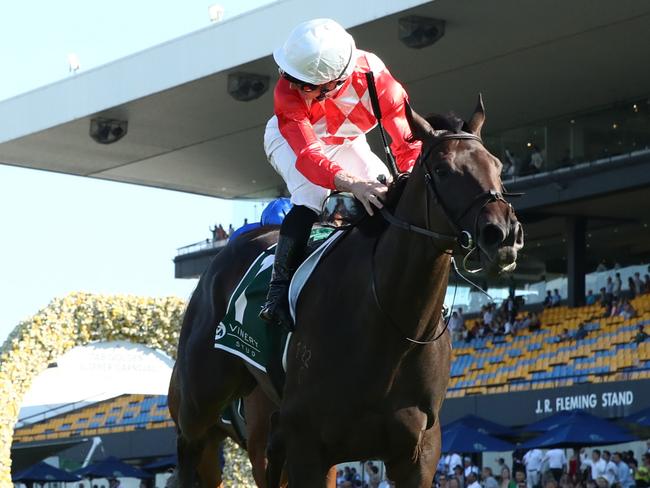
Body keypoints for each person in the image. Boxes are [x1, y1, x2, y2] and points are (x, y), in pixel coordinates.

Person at [259, 18, 421, 327]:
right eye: (288, 75)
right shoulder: (287, 92)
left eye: (304, 84)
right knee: (311, 194)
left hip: (346, 138)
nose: (291, 85)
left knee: (384, 185)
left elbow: (408, 144)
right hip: (290, 140)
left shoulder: (380, 83)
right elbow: (309, 156)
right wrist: (352, 183)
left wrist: (412, 180)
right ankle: (277, 294)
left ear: (335, 81)